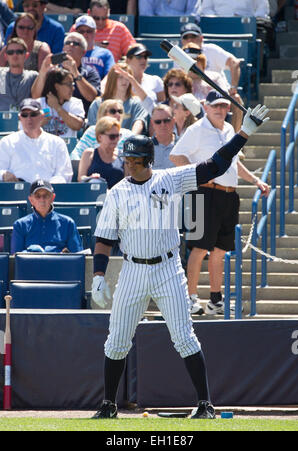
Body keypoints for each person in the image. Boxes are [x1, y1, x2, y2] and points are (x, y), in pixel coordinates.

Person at [90, 103, 269, 419]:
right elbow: (104, 239)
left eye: (134, 160)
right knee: (116, 340)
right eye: (126, 159)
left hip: (167, 268)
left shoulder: (168, 179)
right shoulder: (117, 192)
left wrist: (244, 133)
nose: (128, 165)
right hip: (132, 268)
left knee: (184, 337)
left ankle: (204, 404)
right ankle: (108, 405)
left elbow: (213, 166)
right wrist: (99, 275)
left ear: (147, 161)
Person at [169, 91, 270, 315]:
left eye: (224, 106)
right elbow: (176, 156)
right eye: (216, 106)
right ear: (206, 107)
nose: (220, 109)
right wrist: (199, 173)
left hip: (228, 195)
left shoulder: (228, 129)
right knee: (199, 247)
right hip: (203, 193)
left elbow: (234, 163)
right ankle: (190, 298)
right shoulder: (196, 129)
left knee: (220, 250)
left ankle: (215, 299)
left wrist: (255, 180)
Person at [0, 98, 73, 183]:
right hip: (16, 193)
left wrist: (45, 188)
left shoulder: (57, 143)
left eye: (33, 114)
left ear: (41, 116)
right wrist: (4, 174)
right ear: (20, 117)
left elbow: (64, 174)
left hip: (48, 193)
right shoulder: (7, 142)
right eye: (25, 115)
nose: (29, 118)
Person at [32, 32, 101, 116]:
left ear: (83, 52)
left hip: (79, 117)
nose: (70, 45)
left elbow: (91, 97)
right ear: (63, 48)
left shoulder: (90, 72)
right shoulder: (53, 70)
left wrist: (75, 73)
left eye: (76, 44)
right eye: (67, 43)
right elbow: (35, 96)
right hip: (51, 119)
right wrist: (43, 72)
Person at [11, 179, 83, 254]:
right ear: (31, 200)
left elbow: (77, 255)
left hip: (59, 265)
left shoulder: (67, 223)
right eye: (37, 196)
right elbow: (16, 257)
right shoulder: (20, 225)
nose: (42, 199)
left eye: (46, 195)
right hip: (32, 265)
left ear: (52, 198)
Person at [180, 23, 241, 107]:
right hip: (191, 99)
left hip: (217, 96)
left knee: (235, 99)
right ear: (181, 40)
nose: (190, 40)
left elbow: (234, 63)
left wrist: (233, 88)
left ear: (201, 38)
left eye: (193, 36)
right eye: (186, 37)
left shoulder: (211, 51)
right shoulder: (179, 56)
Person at [87, 63, 149, 135]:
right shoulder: (97, 104)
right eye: (120, 77)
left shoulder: (137, 103)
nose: (124, 81)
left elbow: (139, 124)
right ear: (112, 79)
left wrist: (127, 141)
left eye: (127, 77)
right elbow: (93, 129)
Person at [69, 0, 136, 63]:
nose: (100, 22)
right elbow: (69, 53)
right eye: (96, 18)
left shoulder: (119, 29)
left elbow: (134, 53)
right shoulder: (78, 29)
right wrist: (92, 47)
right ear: (89, 13)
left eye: (104, 18)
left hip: (112, 72)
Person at [77, 116, 125, 188]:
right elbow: (80, 178)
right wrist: (89, 178)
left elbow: (127, 180)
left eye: (118, 136)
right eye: (112, 136)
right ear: (100, 137)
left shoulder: (123, 156)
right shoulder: (89, 154)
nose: (116, 139)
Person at [38, 67, 85, 138]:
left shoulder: (76, 103)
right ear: (56, 86)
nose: (73, 88)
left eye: (73, 84)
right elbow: (27, 129)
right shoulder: (39, 103)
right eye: (69, 84)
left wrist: (57, 107)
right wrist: (39, 123)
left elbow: (78, 126)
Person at [0, 37, 38, 111]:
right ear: (6, 56)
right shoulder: (1, 74)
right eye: (10, 52)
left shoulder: (33, 76)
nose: (15, 55)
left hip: (24, 119)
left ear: (26, 55)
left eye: (19, 52)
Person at [74, 15, 115, 80]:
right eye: (81, 31)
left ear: (95, 32)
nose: (85, 34)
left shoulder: (105, 54)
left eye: (89, 31)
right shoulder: (70, 53)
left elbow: (109, 77)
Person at [150, 104, 176, 170]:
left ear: (173, 121)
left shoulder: (183, 144)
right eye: (158, 122)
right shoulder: (144, 147)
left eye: (167, 120)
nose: (163, 125)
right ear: (152, 123)